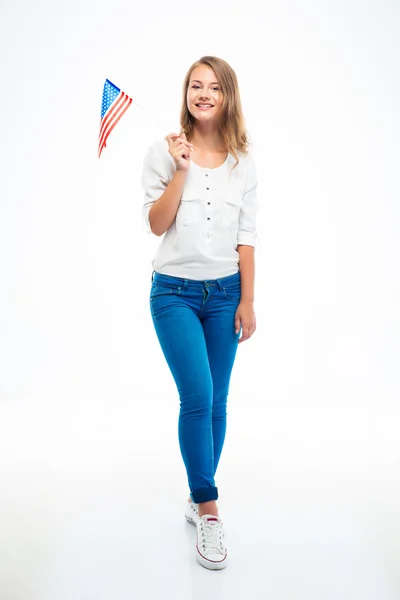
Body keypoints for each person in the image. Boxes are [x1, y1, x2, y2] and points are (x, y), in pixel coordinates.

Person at [140, 56, 258, 570]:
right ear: (185, 94)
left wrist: (249, 300)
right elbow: (156, 223)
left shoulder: (243, 161)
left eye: (213, 87)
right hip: (174, 295)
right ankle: (209, 511)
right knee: (198, 394)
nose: (203, 94)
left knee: (218, 401)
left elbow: (246, 239)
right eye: (195, 86)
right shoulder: (165, 152)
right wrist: (181, 170)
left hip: (226, 295)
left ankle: (196, 492)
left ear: (227, 96)